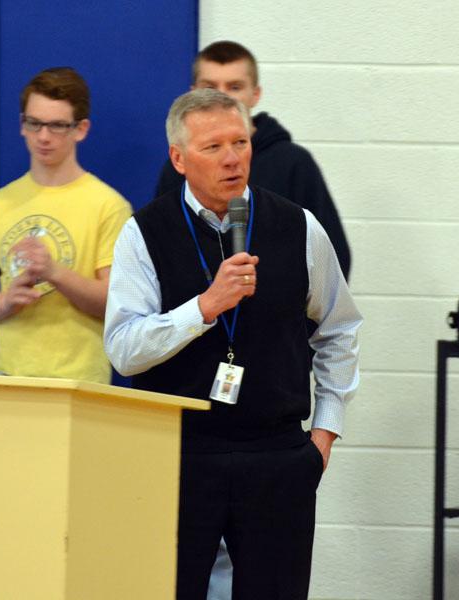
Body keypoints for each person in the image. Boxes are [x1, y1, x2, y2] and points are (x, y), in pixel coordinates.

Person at [105, 89, 361, 600]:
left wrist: (324, 434)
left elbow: (339, 330)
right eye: (213, 146)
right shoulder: (144, 233)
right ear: (178, 158)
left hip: (278, 455)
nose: (231, 158)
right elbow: (124, 348)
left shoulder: (298, 226)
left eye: (240, 142)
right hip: (177, 454)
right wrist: (204, 307)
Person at [0, 67, 131, 382]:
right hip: (5, 379)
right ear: (22, 126)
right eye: (34, 123)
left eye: (56, 126)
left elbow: (117, 303)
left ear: (80, 129)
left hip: (77, 382)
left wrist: (55, 273)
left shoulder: (108, 205)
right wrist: (5, 302)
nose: (43, 136)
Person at [155, 40, 351, 280]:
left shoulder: (293, 163)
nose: (221, 96)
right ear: (193, 92)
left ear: (255, 94)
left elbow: (333, 257)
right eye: (210, 87)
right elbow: (161, 249)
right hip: (198, 312)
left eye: (234, 87)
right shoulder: (182, 165)